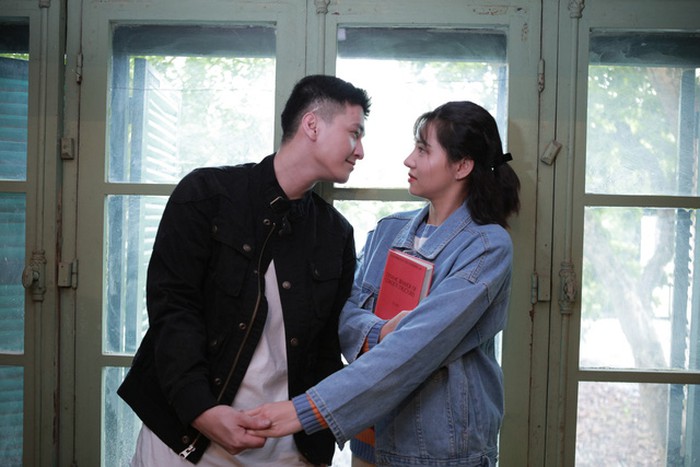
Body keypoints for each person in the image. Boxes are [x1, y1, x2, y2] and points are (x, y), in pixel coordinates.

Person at [247, 100, 521, 466]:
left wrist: (307, 410)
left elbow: (418, 345)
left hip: (439, 450)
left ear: (462, 166)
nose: (409, 160)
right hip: (370, 440)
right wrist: (379, 332)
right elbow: (343, 310)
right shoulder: (388, 230)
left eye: (423, 150)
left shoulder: (487, 247)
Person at [117, 74, 371, 466]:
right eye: (354, 133)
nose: (361, 151)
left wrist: (318, 446)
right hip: (183, 436)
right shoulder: (206, 195)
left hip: (284, 450)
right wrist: (200, 410)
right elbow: (173, 310)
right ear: (312, 125)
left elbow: (325, 351)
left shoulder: (335, 234)